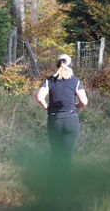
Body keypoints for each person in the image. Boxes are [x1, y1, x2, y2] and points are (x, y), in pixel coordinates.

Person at [35, 54, 88, 190]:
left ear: (57, 64)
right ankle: (65, 186)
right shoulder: (75, 81)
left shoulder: (49, 81)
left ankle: (53, 185)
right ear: (70, 65)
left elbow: (40, 97)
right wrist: (75, 107)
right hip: (71, 119)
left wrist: (48, 108)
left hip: (54, 119)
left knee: (56, 153)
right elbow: (84, 102)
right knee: (68, 153)